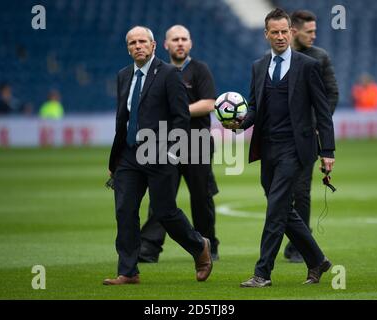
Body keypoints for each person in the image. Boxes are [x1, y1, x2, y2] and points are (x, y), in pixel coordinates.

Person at [224, 8, 335, 287]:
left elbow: (323, 111)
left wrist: (328, 151)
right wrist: (240, 123)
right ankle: (317, 260)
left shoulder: (308, 66)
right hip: (267, 149)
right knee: (284, 211)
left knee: (275, 210)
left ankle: (262, 273)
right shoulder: (258, 66)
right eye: (275, 32)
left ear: (291, 32)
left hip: (296, 150)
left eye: (285, 31)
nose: (281, 36)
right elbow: (255, 107)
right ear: (267, 34)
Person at [103, 26, 212, 285]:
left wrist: (174, 153)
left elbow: (180, 116)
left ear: (153, 46)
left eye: (143, 41)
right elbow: (123, 118)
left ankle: (199, 246)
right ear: (128, 48)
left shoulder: (169, 74)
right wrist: (115, 160)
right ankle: (128, 272)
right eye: (133, 43)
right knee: (125, 210)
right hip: (129, 155)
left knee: (165, 212)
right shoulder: (123, 75)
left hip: (160, 152)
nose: (138, 46)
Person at [138, 25, 220, 263]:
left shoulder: (200, 70)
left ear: (190, 43)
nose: (180, 43)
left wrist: (176, 111)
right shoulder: (157, 72)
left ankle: (208, 245)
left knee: (201, 198)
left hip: (197, 141)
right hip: (166, 141)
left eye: (184, 39)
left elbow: (208, 103)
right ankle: (149, 248)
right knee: (161, 197)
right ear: (165, 45)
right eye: (175, 39)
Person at [283, 10, 339, 263]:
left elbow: (332, 94)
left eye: (315, 31)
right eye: (310, 31)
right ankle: (293, 240)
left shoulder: (319, 57)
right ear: (294, 31)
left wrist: (317, 125)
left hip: (306, 136)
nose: (314, 36)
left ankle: (299, 247)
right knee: (277, 192)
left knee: (301, 191)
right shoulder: (277, 58)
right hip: (281, 137)